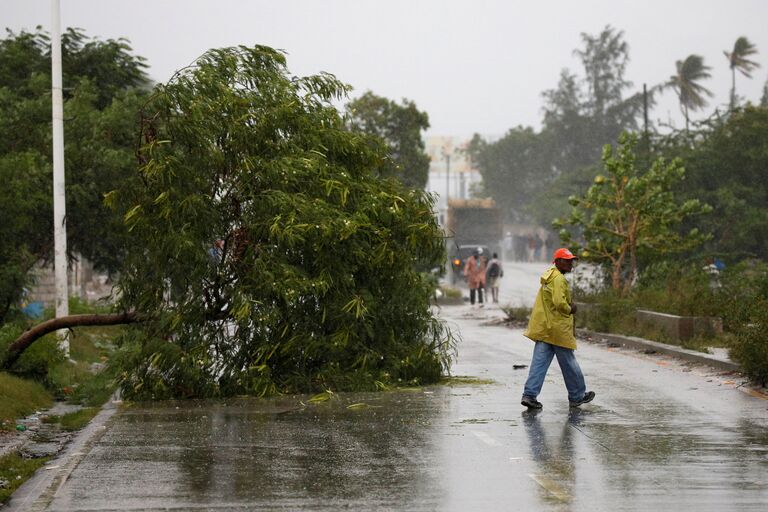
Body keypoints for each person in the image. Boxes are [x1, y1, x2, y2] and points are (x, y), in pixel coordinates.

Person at [521, 248, 595, 409]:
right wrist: (571, 308)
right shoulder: (559, 279)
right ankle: (577, 395)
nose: (571, 264)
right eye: (567, 261)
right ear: (558, 261)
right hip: (557, 329)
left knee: (538, 364)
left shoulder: (549, 275)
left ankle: (529, 395)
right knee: (569, 362)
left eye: (571, 261)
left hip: (545, 328)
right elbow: (559, 303)